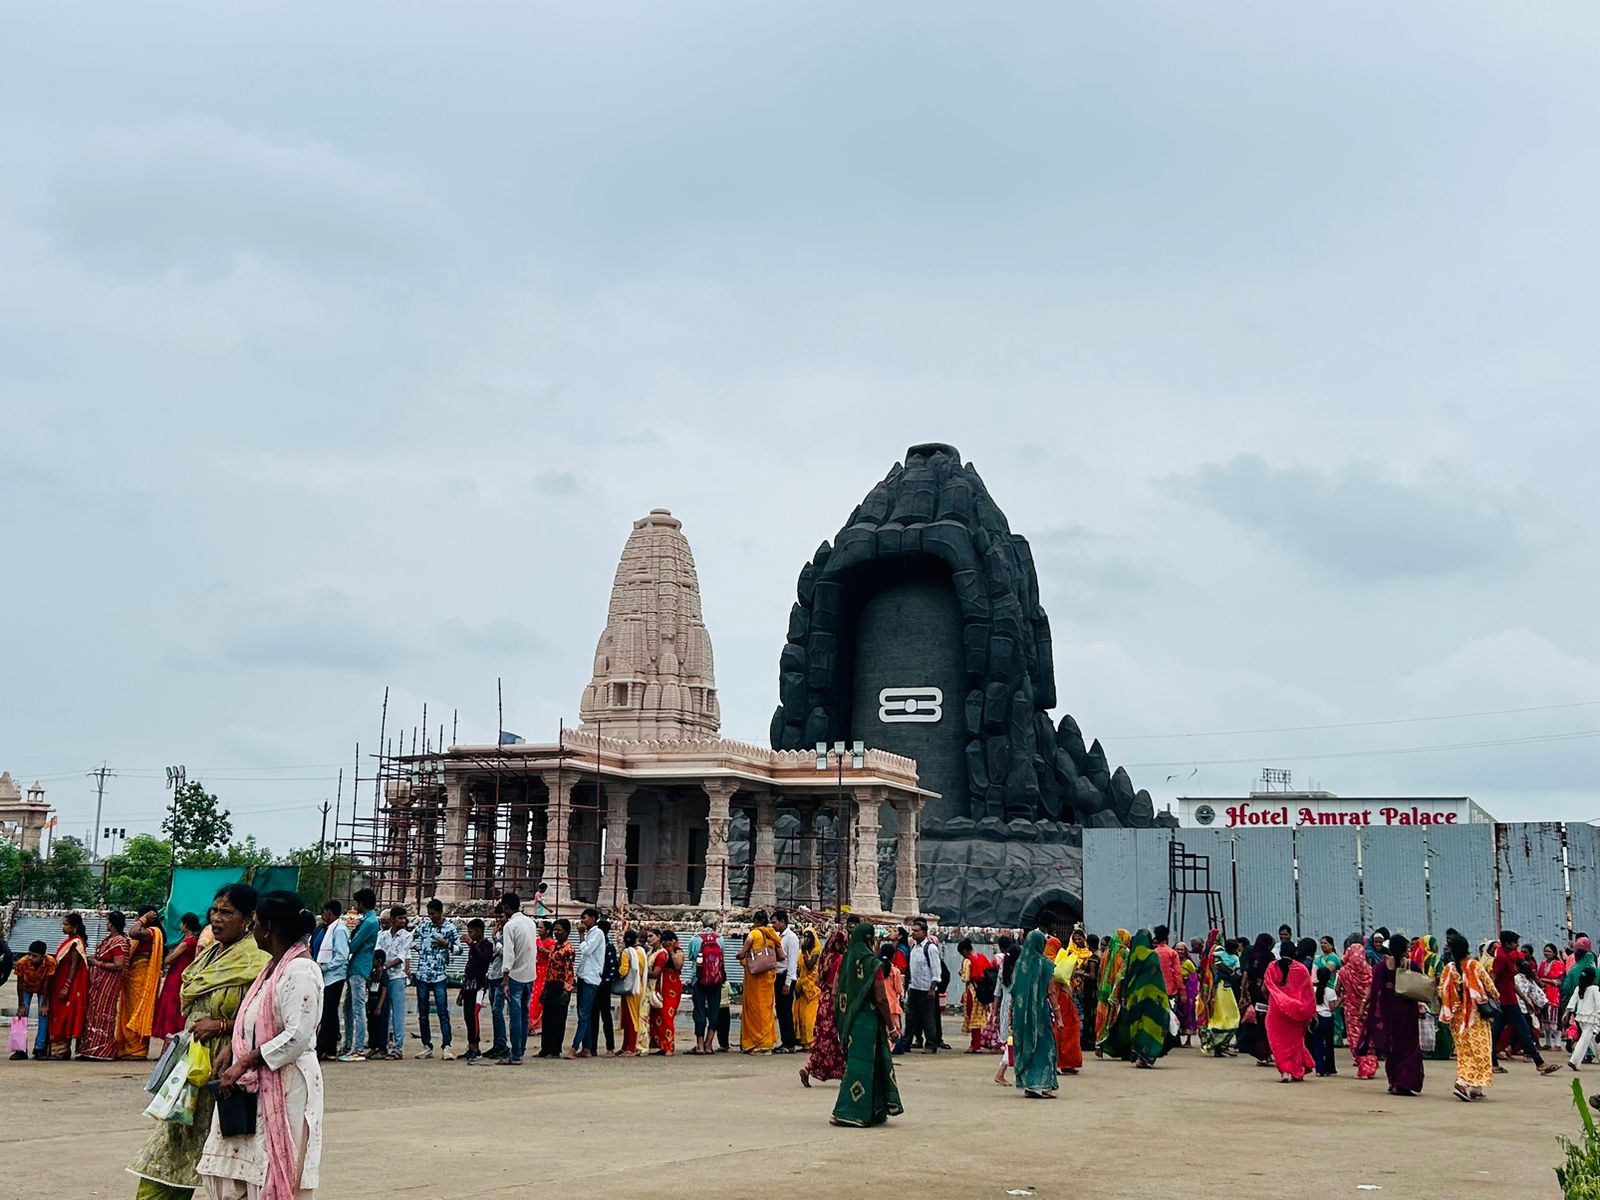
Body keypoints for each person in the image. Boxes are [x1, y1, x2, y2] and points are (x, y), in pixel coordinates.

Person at [128, 883, 269, 1200]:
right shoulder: (212, 954)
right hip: (192, 1063)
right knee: (172, 1143)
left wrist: (222, 1025)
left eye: (227, 912)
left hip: (227, 1068)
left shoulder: (257, 959)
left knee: (232, 1160)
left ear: (248, 918)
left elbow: (269, 1018)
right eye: (214, 910)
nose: (217, 918)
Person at [199, 890, 324, 1200]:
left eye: (254, 924)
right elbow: (256, 1019)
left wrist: (245, 1061)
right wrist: (235, 1047)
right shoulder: (272, 969)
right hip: (262, 1080)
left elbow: (296, 1036)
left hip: (287, 1083)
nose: (252, 931)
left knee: (275, 1167)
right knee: (243, 1172)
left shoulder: (301, 972)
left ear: (268, 929)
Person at [829, 923, 903, 1127]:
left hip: (850, 1022)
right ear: (870, 940)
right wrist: (891, 1027)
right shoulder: (872, 964)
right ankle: (850, 1112)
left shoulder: (844, 963)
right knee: (861, 1066)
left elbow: (836, 993)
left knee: (860, 1063)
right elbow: (880, 998)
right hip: (868, 1023)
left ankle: (873, 1110)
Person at [1361, 932, 1425, 1096]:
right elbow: (1422, 988)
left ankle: (1394, 1082)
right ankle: (1404, 1082)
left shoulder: (1382, 967)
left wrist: (1364, 1006)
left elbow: (1374, 990)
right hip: (1408, 1014)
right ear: (1404, 949)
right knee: (1410, 1047)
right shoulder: (1412, 966)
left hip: (1389, 1013)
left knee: (1393, 1048)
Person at [1490, 930, 1560, 1075]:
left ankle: (1493, 1064)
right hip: (1506, 1003)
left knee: (1496, 1033)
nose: (1517, 945)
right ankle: (1539, 1063)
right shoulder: (1502, 958)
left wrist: (1525, 999)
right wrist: (1494, 997)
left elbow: (1510, 982)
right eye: (1515, 943)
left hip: (1509, 1001)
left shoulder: (1507, 956)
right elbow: (1493, 978)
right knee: (1523, 1031)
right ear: (1508, 943)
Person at [1438, 932, 1494, 1102]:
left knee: (1464, 1052)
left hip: (1456, 1018)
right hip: (1475, 1016)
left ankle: (1476, 1088)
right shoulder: (1475, 965)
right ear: (1467, 949)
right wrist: (1494, 997)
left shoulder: (1449, 968)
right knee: (1481, 1050)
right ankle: (1463, 1082)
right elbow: (1490, 987)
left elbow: (1441, 991)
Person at [1103, 929, 1169, 1068]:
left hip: (1135, 998)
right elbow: (1158, 977)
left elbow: (1125, 979)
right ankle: (1147, 1055)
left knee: (1137, 1025)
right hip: (1153, 997)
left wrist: (1125, 996)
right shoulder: (1152, 956)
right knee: (1151, 1025)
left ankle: (1139, 1055)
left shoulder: (1131, 958)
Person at [1009, 929, 1059, 1099]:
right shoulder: (1045, 964)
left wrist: (1011, 1013)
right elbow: (1051, 992)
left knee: (1025, 1044)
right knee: (1045, 1045)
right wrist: (1058, 1016)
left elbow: (1014, 990)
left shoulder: (1019, 964)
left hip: (1020, 1014)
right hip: (1040, 1014)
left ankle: (1030, 1085)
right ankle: (1043, 1084)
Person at [799, 927, 848, 1088]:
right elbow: (838, 984)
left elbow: (818, 980)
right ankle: (843, 1073)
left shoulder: (824, 957)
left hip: (823, 1000)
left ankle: (809, 1068)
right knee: (836, 1039)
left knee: (822, 1037)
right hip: (835, 1001)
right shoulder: (840, 960)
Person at [411, 898, 458, 1061]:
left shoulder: (450, 928)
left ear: (440, 912)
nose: (432, 917)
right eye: (429, 914)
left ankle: (447, 1045)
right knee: (422, 1013)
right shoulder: (424, 926)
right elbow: (409, 937)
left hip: (439, 974)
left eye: (434, 914)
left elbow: (458, 949)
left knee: (442, 1012)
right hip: (423, 973)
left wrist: (447, 944)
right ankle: (426, 1045)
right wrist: (416, 948)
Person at [81, 909, 131, 1060]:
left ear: (112, 924)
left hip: (108, 983)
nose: (106, 924)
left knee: (104, 1013)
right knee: (94, 1012)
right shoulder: (110, 939)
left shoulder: (119, 942)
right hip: (99, 982)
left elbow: (119, 964)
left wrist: (98, 963)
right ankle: (91, 1049)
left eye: (108, 922)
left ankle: (102, 1050)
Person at [1263, 943, 1316, 1082]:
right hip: (1296, 1012)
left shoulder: (1271, 967)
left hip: (1276, 1010)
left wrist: (1273, 1001)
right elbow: (1308, 994)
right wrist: (1309, 1013)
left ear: (1280, 952)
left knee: (1278, 1044)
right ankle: (1297, 1070)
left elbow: (1265, 988)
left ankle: (1285, 1072)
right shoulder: (1302, 969)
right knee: (1296, 1043)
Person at [119, 907, 166, 1060]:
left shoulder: (153, 932)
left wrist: (143, 919)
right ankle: (128, 1048)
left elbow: (133, 932)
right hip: (132, 976)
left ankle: (137, 1050)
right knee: (130, 1010)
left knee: (138, 1010)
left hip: (142, 976)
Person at [498, 892, 538, 1066]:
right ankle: (520, 1051)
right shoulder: (530, 922)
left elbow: (508, 954)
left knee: (515, 1016)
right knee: (524, 1014)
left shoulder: (509, 926)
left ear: (506, 908)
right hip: (530, 974)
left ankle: (515, 1054)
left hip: (515, 976)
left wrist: (505, 978)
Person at [339, 888, 380, 1063]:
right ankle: (348, 1044)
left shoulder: (370, 922)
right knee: (348, 1007)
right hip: (357, 966)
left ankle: (358, 1048)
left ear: (362, 903)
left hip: (360, 966)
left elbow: (354, 945)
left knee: (357, 1008)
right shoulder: (368, 920)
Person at [894, 919, 942, 1056]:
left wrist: (933, 988)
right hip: (914, 987)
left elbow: (936, 970)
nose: (913, 933)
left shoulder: (930, 948)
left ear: (924, 932)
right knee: (911, 1017)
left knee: (928, 1018)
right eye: (913, 930)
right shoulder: (914, 947)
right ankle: (906, 1042)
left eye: (916, 931)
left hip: (926, 988)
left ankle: (931, 1044)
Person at [152, 913, 203, 1044]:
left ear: (185, 925)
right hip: (183, 977)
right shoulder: (196, 941)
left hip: (176, 977)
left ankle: (169, 1039)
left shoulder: (186, 942)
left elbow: (169, 959)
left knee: (171, 1007)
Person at [738, 911, 782, 1053]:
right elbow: (781, 956)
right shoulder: (772, 934)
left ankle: (754, 1043)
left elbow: (743, 952)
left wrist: (740, 956)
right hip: (768, 977)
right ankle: (767, 1043)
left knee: (754, 1009)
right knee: (767, 1009)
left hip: (755, 979)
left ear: (756, 921)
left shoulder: (754, 934)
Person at [47, 912, 89, 1059]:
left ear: (74, 927)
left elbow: (74, 966)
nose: (63, 927)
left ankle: (62, 1051)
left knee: (64, 1014)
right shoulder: (69, 940)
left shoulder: (76, 942)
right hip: (59, 981)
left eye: (66, 924)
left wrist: (67, 985)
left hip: (67, 982)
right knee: (57, 1013)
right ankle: (57, 1050)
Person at [313, 899, 350, 1062]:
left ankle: (328, 1047)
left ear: (329, 912)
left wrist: (324, 967)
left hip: (334, 976)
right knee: (327, 1013)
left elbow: (341, 956)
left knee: (329, 1013)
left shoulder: (339, 929)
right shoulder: (328, 928)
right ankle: (327, 1047)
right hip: (327, 977)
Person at [1337, 937, 1378, 1079]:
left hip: (1352, 1011)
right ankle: (1371, 1065)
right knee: (1369, 1037)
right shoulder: (1370, 970)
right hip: (1369, 1009)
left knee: (1355, 1038)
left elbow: (1337, 989)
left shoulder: (1343, 972)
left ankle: (1363, 1067)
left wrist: (1347, 994)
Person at [567, 907, 606, 1060]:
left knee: (583, 1014)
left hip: (591, 978)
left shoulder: (597, 933)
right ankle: (587, 1047)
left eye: (585, 918)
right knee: (584, 1014)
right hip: (584, 976)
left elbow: (587, 950)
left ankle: (575, 1047)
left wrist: (581, 935)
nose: (583, 921)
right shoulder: (591, 934)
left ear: (593, 919)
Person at [377, 906, 412, 1061]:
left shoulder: (406, 936)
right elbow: (379, 953)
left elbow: (401, 957)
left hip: (397, 976)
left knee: (397, 1014)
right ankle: (382, 1045)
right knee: (383, 1013)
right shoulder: (383, 935)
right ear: (392, 920)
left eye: (404, 918)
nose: (403, 921)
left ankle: (398, 1048)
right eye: (400, 918)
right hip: (384, 977)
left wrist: (383, 966)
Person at [538, 918, 576, 1059]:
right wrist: (545, 987)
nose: (557, 933)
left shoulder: (569, 949)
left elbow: (569, 971)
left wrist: (567, 990)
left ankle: (555, 1049)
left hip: (561, 986)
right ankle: (545, 1048)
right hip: (550, 984)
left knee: (558, 1018)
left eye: (560, 930)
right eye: (555, 930)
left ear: (566, 932)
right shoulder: (554, 947)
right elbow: (549, 968)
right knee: (547, 1017)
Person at [12, 940, 55, 1060]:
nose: (31, 958)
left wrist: (44, 1004)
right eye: (29, 954)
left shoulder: (50, 962)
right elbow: (19, 984)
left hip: (42, 988)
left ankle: (39, 1048)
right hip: (26, 987)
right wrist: (21, 1004)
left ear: (43, 956)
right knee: (22, 1015)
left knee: (43, 1015)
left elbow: (47, 983)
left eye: (35, 956)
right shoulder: (22, 962)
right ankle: (20, 1049)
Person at [686, 916, 722, 1056]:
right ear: (714, 924)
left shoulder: (695, 939)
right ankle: (709, 1044)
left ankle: (700, 1045)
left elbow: (690, 957)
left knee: (699, 1010)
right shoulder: (720, 939)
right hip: (716, 979)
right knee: (714, 1009)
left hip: (698, 978)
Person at [1046, 936, 1082, 1071]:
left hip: (1055, 1002)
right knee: (1066, 1031)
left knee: (1062, 1031)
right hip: (1060, 1001)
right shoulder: (1057, 962)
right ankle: (1063, 1062)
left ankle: (1066, 1063)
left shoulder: (1043, 962)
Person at [459, 917, 492, 1062]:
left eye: (471, 932)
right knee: (467, 1016)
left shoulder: (486, 945)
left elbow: (484, 959)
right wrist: (461, 991)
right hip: (469, 985)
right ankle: (471, 1045)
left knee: (474, 1015)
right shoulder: (475, 946)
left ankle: (475, 1046)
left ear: (479, 931)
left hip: (479, 985)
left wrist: (472, 944)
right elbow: (469, 969)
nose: (469, 935)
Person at [1093, 929, 1131, 1055]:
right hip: (1116, 991)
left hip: (1104, 989)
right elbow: (1123, 974)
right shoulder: (1125, 953)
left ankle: (1099, 1045)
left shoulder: (1106, 953)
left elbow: (1100, 972)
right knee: (1115, 1019)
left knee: (1102, 1017)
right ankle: (1115, 1047)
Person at [647, 930, 684, 1055]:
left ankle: (669, 1046)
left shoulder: (678, 951)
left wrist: (672, 950)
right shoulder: (659, 952)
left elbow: (678, 966)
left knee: (667, 1016)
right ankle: (660, 1045)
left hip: (672, 986)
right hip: (660, 985)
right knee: (657, 1015)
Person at [772, 910, 802, 1054]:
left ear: (783, 922)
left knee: (785, 1011)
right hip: (778, 976)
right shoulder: (779, 937)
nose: (773, 925)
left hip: (786, 977)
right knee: (781, 1010)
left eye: (775, 922)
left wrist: (788, 983)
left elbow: (792, 962)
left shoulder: (791, 938)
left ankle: (789, 1043)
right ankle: (785, 1040)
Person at [958, 938, 994, 1053]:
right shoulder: (982, 957)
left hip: (972, 991)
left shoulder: (967, 961)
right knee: (978, 1018)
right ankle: (976, 1044)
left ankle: (974, 1045)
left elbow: (965, 978)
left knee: (972, 1017)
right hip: (983, 990)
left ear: (964, 951)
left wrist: (961, 973)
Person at [617, 926, 647, 1056]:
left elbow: (623, 971)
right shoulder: (641, 951)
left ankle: (631, 1047)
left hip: (629, 988)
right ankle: (626, 1046)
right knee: (632, 1016)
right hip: (639, 986)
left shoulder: (626, 952)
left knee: (630, 1017)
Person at [1538, 944, 1569, 1050]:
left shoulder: (1559, 964)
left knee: (1557, 1018)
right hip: (1543, 994)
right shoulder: (1542, 964)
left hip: (1555, 994)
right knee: (1544, 1018)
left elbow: (1559, 981)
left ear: (1554, 953)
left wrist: (1545, 980)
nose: (1547, 953)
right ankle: (1547, 1042)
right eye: (1545, 951)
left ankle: (1558, 1043)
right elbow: (1538, 977)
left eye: (1549, 951)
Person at [1568, 969, 1600, 1072]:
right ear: (1593, 978)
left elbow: (1572, 1002)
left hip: (1581, 1017)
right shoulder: (1595, 989)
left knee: (1591, 1040)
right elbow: (1599, 1004)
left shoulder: (1579, 988)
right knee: (1585, 1039)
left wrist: (1567, 1012)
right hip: (1592, 1018)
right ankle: (1574, 1061)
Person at [794, 929, 821, 1050]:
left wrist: (804, 952)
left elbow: (810, 966)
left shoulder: (816, 951)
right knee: (802, 1016)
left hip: (814, 988)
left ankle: (812, 1042)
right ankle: (805, 1042)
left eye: (808, 937)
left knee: (811, 1017)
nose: (806, 939)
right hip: (803, 988)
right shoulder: (800, 953)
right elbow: (799, 970)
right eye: (804, 937)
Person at [1310, 965, 1340, 1077]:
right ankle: (1329, 1068)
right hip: (1328, 1018)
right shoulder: (1330, 991)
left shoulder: (1313, 990)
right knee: (1328, 1044)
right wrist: (1340, 1001)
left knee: (1318, 1045)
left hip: (1317, 1018)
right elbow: (1333, 1007)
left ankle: (1319, 1069)